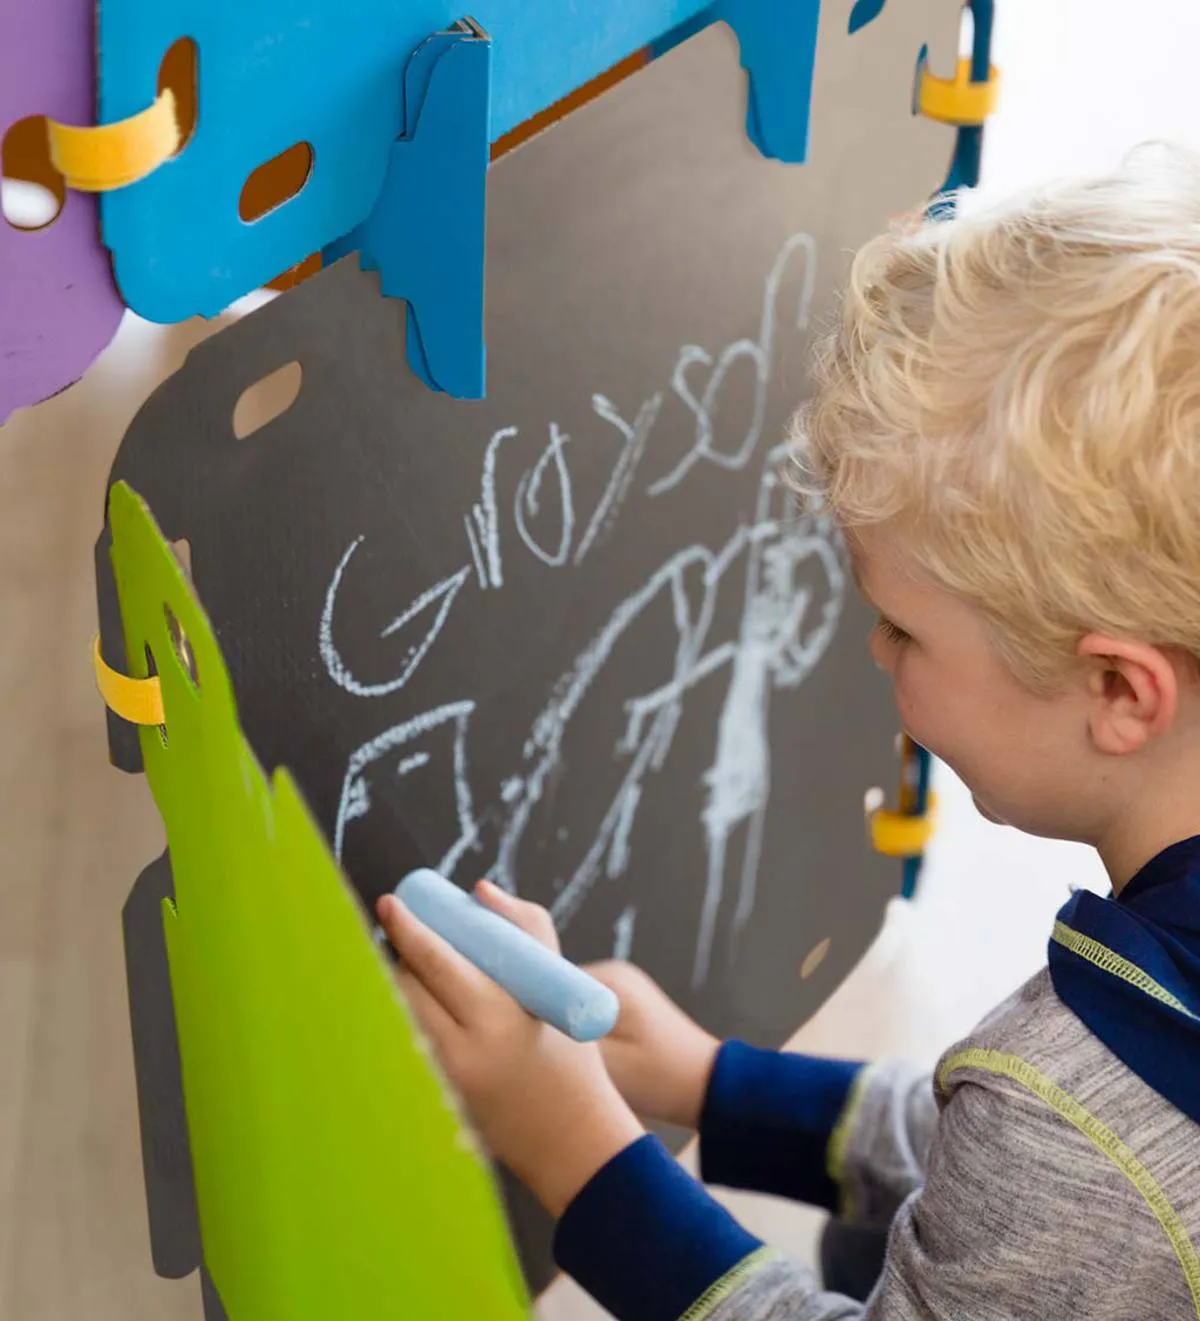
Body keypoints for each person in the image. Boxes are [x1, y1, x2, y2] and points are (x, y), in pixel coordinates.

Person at [376, 146, 1200, 1319]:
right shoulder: (1101, 1097)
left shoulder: (1086, 1107)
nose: (873, 652)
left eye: (902, 629)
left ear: (1121, 691)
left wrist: (580, 1154)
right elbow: (1037, 1182)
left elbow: (1059, 1158)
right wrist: (714, 1084)